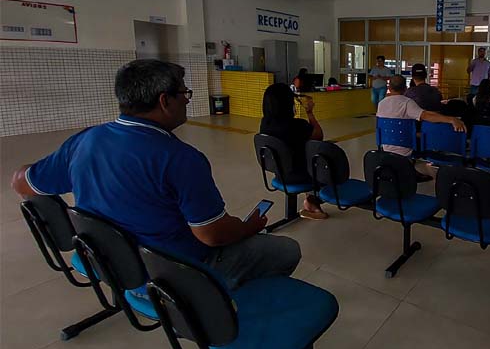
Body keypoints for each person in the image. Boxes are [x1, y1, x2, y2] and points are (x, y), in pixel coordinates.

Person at [10, 59, 301, 290]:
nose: (187, 100)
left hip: (111, 262)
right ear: (165, 101)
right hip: (172, 272)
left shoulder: (85, 141)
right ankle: (219, 304)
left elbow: (22, 182)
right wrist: (248, 228)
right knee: (286, 250)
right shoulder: (180, 159)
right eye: (184, 93)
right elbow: (213, 235)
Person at [377, 75, 466, 181]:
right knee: (426, 134)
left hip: (386, 145)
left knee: (413, 132)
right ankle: (410, 171)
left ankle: (407, 169)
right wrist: (451, 119)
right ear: (405, 88)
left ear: (389, 88)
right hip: (405, 146)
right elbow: (426, 116)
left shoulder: (381, 103)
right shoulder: (407, 103)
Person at [260, 83, 328, 220]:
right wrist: (309, 112)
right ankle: (313, 200)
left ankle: (311, 204)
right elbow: (319, 136)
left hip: (279, 173)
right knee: (322, 159)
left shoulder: (264, 124)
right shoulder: (297, 126)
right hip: (299, 175)